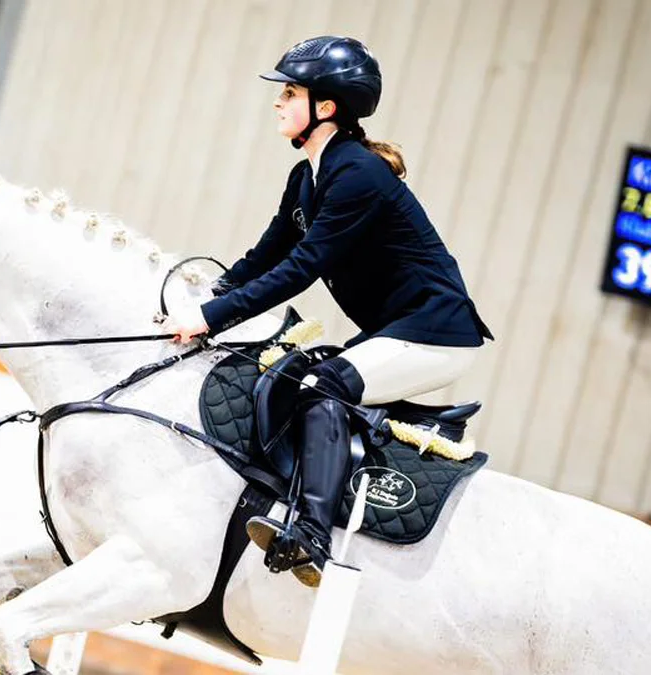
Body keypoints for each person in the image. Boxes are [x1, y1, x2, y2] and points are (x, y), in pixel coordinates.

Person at [164, 36, 493, 587]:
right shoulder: (308, 177)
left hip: (437, 333)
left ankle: (312, 535)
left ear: (326, 107)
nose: (277, 102)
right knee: (297, 376)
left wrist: (212, 318)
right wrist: (202, 297)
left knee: (322, 385)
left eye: (289, 92)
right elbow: (266, 255)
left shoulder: (358, 174)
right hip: (396, 330)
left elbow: (302, 269)